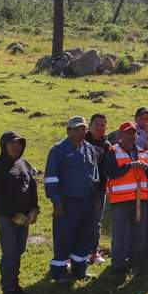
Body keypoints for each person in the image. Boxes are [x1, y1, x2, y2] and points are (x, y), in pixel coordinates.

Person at [44, 116, 101, 283]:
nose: (81, 132)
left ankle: (79, 270)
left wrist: (96, 197)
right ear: (68, 131)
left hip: (87, 202)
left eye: (83, 128)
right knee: (64, 237)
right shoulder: (58, 150)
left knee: (84, 236)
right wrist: (57, 201)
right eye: (77, 129)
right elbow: (51, 178)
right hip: (67, 202)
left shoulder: (89, 148)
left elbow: (95, 175)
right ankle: (59, 272)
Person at [0, 131, 38, 294]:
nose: (16, 147)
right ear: (4, 146)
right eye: (12, 144)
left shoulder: (24, 164)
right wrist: (14, 215)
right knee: (10, 253)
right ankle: (8, 289)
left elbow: (32, 187)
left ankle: (15, 285)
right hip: (7, 218)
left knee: (19, 250)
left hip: (25, 217)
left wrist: (34, 209)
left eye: (19, 143)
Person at [103, 121, 148, 274]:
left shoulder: (143, 151)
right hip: (120, 200)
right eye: (127, 133)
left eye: (133, 134)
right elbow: (110, 172)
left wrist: (147, 167)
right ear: (121, 135)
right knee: (119, 234)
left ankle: (135, 262)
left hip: (141, 199)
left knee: (138, 233)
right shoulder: (113, 151)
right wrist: (129, 166)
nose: (130, 136)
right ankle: (118, 265)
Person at [85, 113, 110, 265]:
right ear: (90, 125)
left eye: (103, 125)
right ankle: (77, 253)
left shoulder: (107, 146)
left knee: (96, 222)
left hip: (100, 189)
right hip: (82, 189)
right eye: (97, 124)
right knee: (80, 221)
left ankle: (93, 252)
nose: (99, 128)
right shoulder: (81, 142)